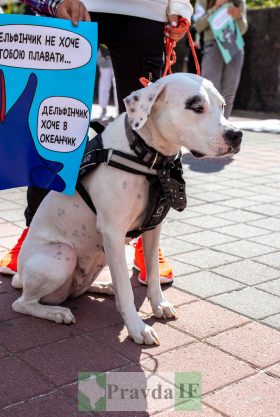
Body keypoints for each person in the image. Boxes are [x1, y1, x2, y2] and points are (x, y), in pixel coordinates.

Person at [0, 0, 193, 286]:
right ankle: (36, 232)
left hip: (146, 10)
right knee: (51, 127)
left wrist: (180, 6)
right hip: (76, 4)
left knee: (150, 131)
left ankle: (146, 241)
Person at [194, 0, 248, 118]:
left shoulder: (239, 1)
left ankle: (224, 130)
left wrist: (239, 17)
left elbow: (243, 29)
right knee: (210, 90)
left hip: (235, 45)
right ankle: (208, 129)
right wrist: (215, 8)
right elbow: (198, 26)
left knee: (229, 93)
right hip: (213, 45)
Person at [97, 45, 118, 121]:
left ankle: (120, 111)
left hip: (118, 52)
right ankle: (103, 108)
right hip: (105, 54)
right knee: (104, 84)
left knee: (118, 85)